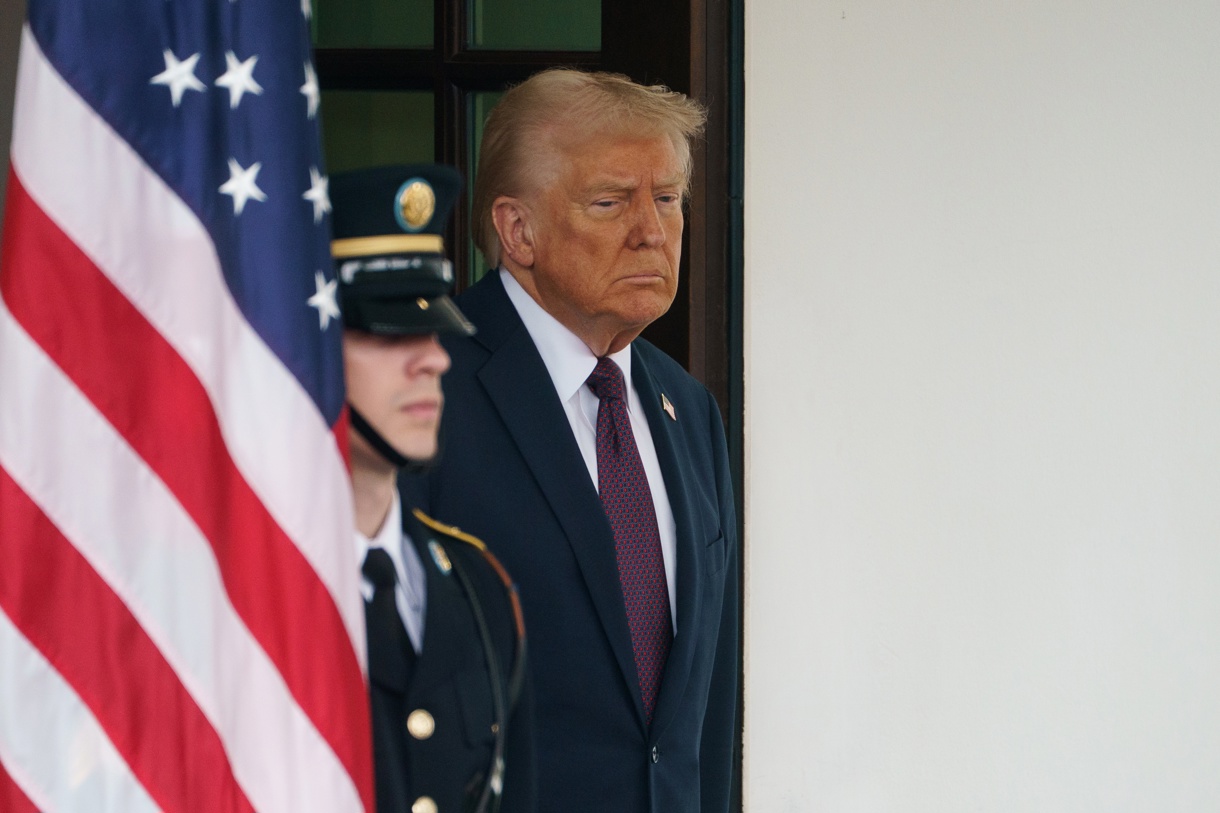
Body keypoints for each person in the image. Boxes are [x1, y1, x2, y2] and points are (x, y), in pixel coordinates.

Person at [402, 69, 739, 813]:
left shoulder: (690, 410)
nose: (652, 230)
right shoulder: (420, 389)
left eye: (667, 199)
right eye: (611, 201)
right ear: (518, 230)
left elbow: (704, 720)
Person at [332, 164, 533, 813]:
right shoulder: (235, 592)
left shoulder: (481, 586)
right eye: (389, 331)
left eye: (433, 330)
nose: (435, 359)